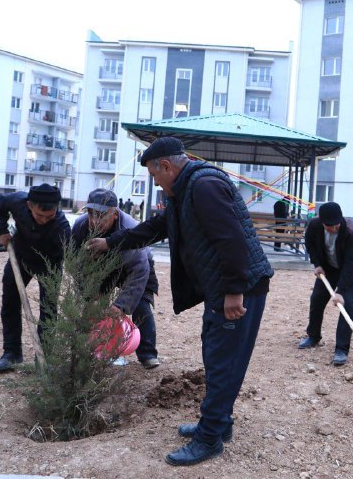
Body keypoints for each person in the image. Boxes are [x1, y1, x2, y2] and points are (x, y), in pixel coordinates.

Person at [86, 137, 273, 466]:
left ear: (167, 166)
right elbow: (154, 228)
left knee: (223, 361)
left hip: (240, 288)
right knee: (215, 353)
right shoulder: (183, 191)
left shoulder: (204, 187)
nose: (155, 181)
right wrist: (110, 242)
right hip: (222, 287)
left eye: (155, 175)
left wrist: (233, 290)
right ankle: (219, 424)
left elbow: (232, 239)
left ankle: (209, 439)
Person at [71, 188, 160, 369]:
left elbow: (139, 272)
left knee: (141, 305)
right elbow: (76, 265)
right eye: (91, 214)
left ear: (115, 214)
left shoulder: (131, 228)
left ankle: (148, 354)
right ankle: (94, 350)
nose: (95, 221)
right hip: (101, 268)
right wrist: (89, 292)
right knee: (93, 308)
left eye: (102, 215)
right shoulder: (80, 227)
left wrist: (121, 305)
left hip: (135, 267)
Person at [0, 184, 70, 372]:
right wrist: (2, 230)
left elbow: (68, 255)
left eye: (48, 216)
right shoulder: (17, 201)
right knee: (10, 300)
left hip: (49, 262)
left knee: (49, 308)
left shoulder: (62, 227)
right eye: (38, 215)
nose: (43, 220)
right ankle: (11, 354)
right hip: (20, 256)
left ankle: (44, 358)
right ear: (29, 205)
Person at [298, 202, 353, 367]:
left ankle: (341, 349)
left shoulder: (351, 231)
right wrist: (317, 264)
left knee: (346, 305)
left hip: (350, 270)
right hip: (328, 268)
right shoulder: (314, 225)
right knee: (317, 299)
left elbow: (352, 262)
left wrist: (341, 291)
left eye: (336, 225)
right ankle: (313, 336)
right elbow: (310, 245)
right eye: (329, 226)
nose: (333, 229)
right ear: (322, 222)